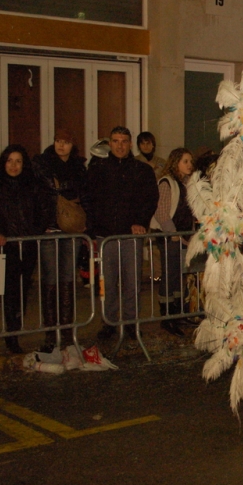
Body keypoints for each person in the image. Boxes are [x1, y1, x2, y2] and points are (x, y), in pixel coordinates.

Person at [87, 127, 159, 340]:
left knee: (132, 282)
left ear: (130, 144)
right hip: (105, 236)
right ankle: (108, 322)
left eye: (124, 141)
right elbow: (89, 200)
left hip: (131, 235)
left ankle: (130, 323)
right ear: (109, 143)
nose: (119, 145)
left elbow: (150, 200)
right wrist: (94, 228)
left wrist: (140, 222)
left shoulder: (142, 170)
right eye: (115, 141)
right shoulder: (98, 170)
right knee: (106, 283)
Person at [0, 145, 47, 353]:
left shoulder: (32, 185)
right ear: (3, 162)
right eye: (10, 161)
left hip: (27, 245)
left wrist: (35, 232)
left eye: (18, 161)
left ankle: (15, 331)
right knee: (9, 291)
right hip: (5, 247)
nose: (14, 165)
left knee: (21, 290)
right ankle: (11, 336)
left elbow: (42, 211)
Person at [32, 129, 89, 351]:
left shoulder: (78, 166)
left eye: (65, 141)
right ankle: (51, 331)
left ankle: (66, 330)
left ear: (72, 144)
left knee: (67, 279)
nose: (61, 145)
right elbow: (42, 192)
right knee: (50, 280)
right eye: (58, 141)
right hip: (50, 228)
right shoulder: (42, 163)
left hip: (71, 229)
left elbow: (84, 193)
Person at [151, 148, 196, 337]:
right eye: (185, 161)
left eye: (190, 161)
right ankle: (167, 316)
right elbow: (161, 212)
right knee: (169, 275)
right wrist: (173, 233)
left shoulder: (187, 184)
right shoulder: (166, 183)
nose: (189, 165)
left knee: (180, 275)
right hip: (169, 236)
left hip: (183, 237)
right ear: (175, 162)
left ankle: (179, 312)